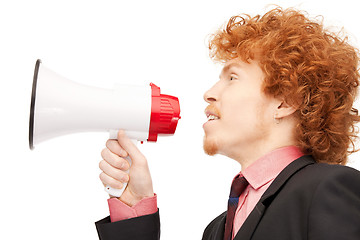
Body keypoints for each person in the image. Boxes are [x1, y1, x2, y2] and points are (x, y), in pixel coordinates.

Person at [95, 7, 360, 240]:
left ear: (284, 102)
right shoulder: (216, 230)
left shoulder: (328, 188)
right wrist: (137, 210)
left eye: (232, 78)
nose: (209, 93)